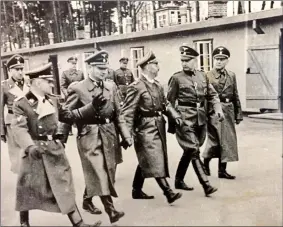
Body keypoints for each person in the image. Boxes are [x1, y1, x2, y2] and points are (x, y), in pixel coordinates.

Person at [11, 62, 101, 227]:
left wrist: (91, 107)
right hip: (34, 151)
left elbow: (68, 115)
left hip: (54, 149)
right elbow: (19, 128)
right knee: (28, 188)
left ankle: (78, 223)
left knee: (64, 185)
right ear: (38, 82)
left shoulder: (52, 100)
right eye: (48, 81)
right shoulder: (21, 103)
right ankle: (24, 223)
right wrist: (30, 146)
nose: (52, 84)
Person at [59, 50, 125, 224]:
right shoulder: (78, 88)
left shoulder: (111, 86)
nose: (104, 71)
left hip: (109, 133)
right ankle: (111, 211)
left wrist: (125, 135)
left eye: (105, 68)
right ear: (89, 67)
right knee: (99, 170)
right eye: (99, 68)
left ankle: (87, 200)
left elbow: (119, 113)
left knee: (107, 170)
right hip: (89, 135)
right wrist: (61, 137)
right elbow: (67, 115)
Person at [119, 50, 182, 204]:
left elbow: (165, 104)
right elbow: (127, 112)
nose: (158, 67)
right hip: (144, 128)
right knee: (154, 158)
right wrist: (127, 135)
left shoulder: (158, 85)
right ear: (147, 66)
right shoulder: (136, 86)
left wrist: (175, 115)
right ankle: (168, 192)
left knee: (147, 159)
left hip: (158, 126)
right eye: (155, 64)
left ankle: (136, 190)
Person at [167, 44, 224, 197]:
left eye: (188, 60)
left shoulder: (202, 76)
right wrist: (174, 121)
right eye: (182, 60)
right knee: (193, 150)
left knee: (190, 150)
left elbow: (212, 95)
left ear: (195, 61)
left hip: (200, 118)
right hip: (184, 119)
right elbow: (168, 102)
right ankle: (206, 185)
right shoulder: (176, 78)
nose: (184, 63)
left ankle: (178, 180)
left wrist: (218, 109)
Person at [202, 46, 243, 179]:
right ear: (213, 60)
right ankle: (205, 164)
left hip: (228, 110)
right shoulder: (207, 75)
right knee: (214, 140)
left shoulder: (231, 75)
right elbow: (204, 97)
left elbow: (235, 94)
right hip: (213, 111)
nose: (219, 62)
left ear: (227, 61)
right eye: (217, 59)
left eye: (222, 59)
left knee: (227, 141)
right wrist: (205, 114)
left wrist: (238, 114)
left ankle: (222, 170)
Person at [1, 54, 29, 173]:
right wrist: (1, 130)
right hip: (13, 121)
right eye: (16, 69)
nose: (20, 72)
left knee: (30, 150)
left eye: (21, 69)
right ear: (9, 70)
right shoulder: (4, 86)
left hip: (29, 121)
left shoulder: (29, 83)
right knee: (17, 155)